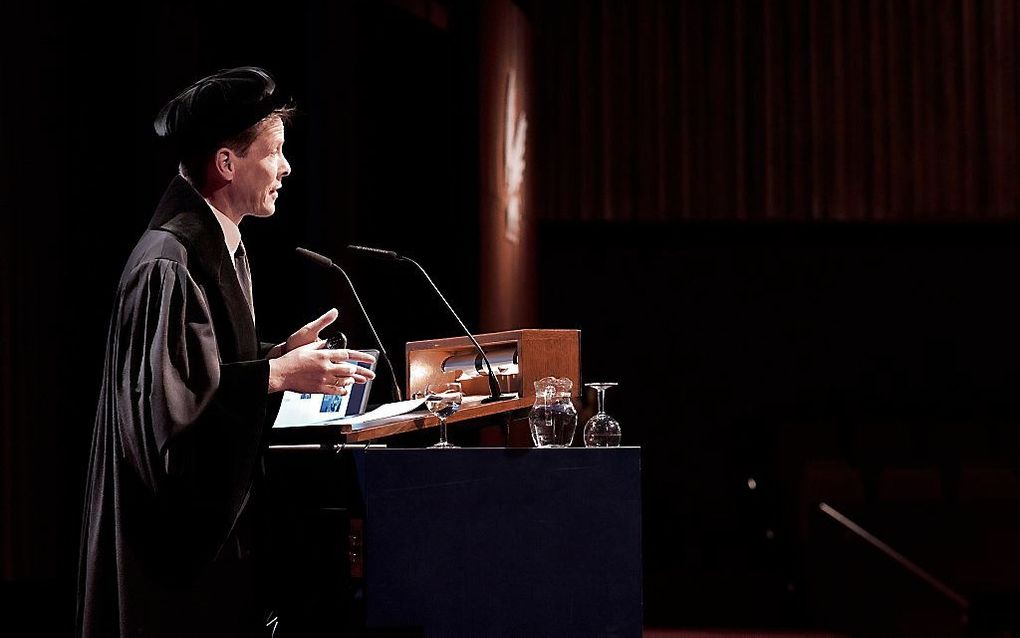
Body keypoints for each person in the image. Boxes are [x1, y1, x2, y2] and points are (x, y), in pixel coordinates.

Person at [76, 66, 376, 637]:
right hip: (169, 559)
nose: (287, 168)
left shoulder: (219, 243)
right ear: (226, 163)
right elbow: (169, 416)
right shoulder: (171, 258)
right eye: (275, 152)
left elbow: (199, 363)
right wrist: (274, 374)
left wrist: (279, 355)